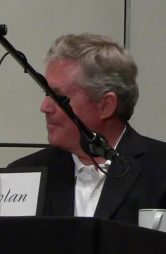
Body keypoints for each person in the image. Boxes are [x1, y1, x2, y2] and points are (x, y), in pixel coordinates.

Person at [9, 34, 166, 225]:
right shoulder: (24, 176)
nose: (44, 107)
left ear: (105, 106)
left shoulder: (160, 170)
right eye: (46, 93)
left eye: (59, 97)